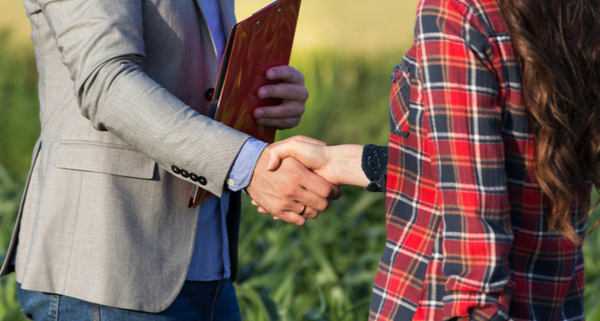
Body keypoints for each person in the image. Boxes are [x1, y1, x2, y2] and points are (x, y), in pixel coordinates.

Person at [257, 0, 600, 319]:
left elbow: (475, 260)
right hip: (553, 300)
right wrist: (347, 162)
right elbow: (495, 163)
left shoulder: (455, 12)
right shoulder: (569, 10)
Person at [0, 0, 341, 319]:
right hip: (108, 269)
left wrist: (261, 97)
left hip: (209, 268)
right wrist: (247, 163)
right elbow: (107, 83)